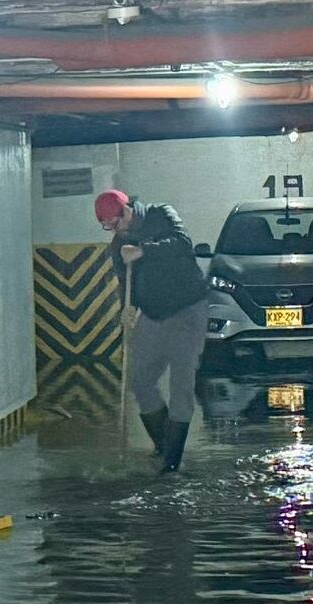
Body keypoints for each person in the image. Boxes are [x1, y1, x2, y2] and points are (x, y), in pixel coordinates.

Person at [95, 189, 208, 473]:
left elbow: (183, 244)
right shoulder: (118, 247)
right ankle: (162, 445)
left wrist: (145, 249)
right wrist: (128, 308)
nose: (115, 230)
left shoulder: (162, 214)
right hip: (153, 314)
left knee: (181, 384)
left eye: (115, 222)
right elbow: (125, 282)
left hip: (188, 309)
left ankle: (171, 464)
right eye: (107, 226)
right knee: (139, 380)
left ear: (127, 211)